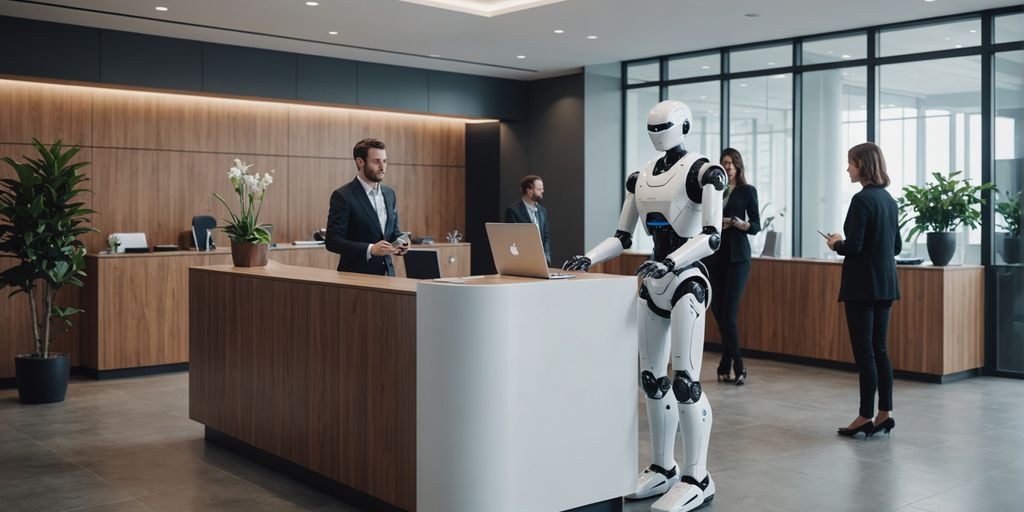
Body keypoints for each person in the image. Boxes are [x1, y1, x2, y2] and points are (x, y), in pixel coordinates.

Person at [563, 100, 726, 511]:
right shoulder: (640, 178)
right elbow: (623, 235)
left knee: (685, 381)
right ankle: (663, 467)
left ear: (683, 126)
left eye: (663, 127)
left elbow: (711, 236)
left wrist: (671, 262)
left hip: (686, 281)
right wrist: (589, 257)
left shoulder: (704, 172)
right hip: (653, 282)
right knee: (652, 379)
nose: (657, 134)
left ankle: (698, 477)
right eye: (651, 128)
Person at [826, 142, 901, 439]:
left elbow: (854, 246)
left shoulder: (861, 200)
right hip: (886, 284)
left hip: (861, 286)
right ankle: (885, 413)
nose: (847, 168)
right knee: (880, 350)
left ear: (863, 166)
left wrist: (836, 243)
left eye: (851, 163)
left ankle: (864, 416)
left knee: (865, 352)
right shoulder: (889, 201)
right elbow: (897, 246)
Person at [708, 148, 760, 386]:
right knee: (718, 310)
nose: (728, 166)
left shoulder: (747, 191)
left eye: (731, 163)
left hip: (738, 258)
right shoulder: (714, 191)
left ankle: (737, 364)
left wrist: (739, 224)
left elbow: (756, 225)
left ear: (738, 166)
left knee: (728, 312)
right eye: (724, 163)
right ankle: (726, 360)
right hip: (715, 257)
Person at [326, 137, 408, 276]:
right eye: (376, 161)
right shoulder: (343, 196)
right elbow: (332, 241)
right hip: (355, 278)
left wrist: (402, 242)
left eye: (384, 161)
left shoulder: (390, 194)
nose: (382, 167)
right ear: (360, 162)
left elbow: (394, 233)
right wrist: (370, 249)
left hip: (388, 276)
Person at [505, 175, 551, 265]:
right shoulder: (513, 211)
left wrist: (546, 258)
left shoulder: (542, 211)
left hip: (541, 261)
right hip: (522, 261)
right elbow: (514, 238)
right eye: (539, 189)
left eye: (542, 188)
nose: (542, 191)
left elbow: (546, 237)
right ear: (530, 191)